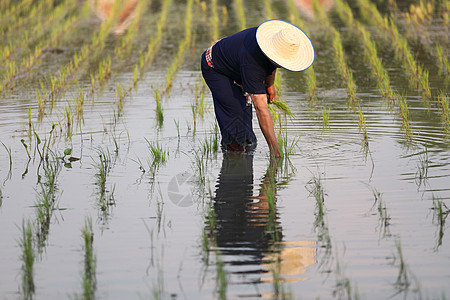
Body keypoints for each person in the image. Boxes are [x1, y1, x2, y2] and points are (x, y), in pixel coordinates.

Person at [201, 19, 314, 158]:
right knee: (235, 118)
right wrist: (276, 153)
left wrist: (270, 85)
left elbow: (272, 64)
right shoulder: (252, 63)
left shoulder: (271, 45)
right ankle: (233, 159)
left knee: (248, 135)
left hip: (236, 62)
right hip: (216, 68)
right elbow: (261, 109)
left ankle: (246, 153)